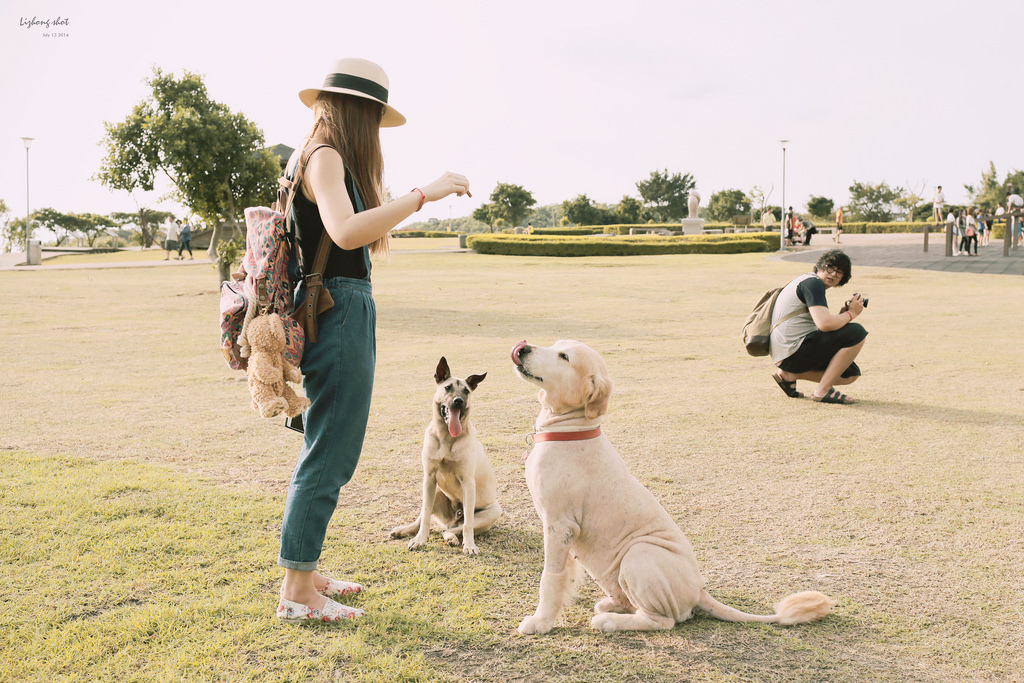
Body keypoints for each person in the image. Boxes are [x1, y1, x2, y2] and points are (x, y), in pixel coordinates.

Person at [275, 58, 470, 625]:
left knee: (325, 445)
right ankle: (298, 592)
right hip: (337, 310)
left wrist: (401, 203)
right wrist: (423, 194)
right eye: (376, 118)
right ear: (361, 112)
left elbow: (353, 233)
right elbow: (344, 231)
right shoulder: (328, 154)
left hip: (334, 305)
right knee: (331, 452)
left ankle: (304, 573)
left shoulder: (311, 151)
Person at [769, 249, 867, 404]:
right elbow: (825, 324)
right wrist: (852, 314)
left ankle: (789, 375)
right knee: (857, 332)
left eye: (839, 272)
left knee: (850, 374)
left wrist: (843, 316)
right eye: (830, 268)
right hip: (792, 351)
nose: (834, 274)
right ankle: (823, 391)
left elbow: (822, 323)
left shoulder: (807, 282)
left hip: (786, 353)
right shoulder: (812, 283)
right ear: (820, 267)